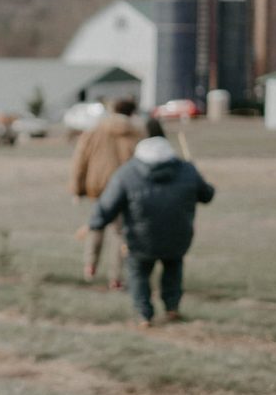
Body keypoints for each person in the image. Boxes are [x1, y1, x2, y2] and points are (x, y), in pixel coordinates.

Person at [88, 133, 214, 327]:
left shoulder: (127, 173)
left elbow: (106, 208)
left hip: (140, 240)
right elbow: (207, 195)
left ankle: (144, 314)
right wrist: (197, 175)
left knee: (138, 274)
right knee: (173, 269)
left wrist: (96, 223)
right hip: (178, 237)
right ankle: (172, 307)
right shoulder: (187, 170)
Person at [69, 97, 144, 288]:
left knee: (96, 226)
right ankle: (116, 277)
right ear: (131, 112)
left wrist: (77, 189)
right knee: (120, 233)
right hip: (127, 188)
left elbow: (80, 161)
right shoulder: (138, 133)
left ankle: (90, 267)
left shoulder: (94, 131)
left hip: (100, 187)